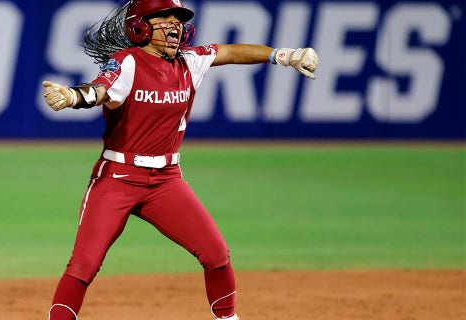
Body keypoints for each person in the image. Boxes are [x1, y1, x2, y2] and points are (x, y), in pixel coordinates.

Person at [42, 0, 318, 319]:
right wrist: (74, 96)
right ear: (140, 25)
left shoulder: (190, 61)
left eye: (179, 18)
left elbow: (229, 52)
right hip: (117, 179)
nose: (175, 25)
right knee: (84, 264)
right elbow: (101, 89)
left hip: (165, 181)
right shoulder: (128, 61)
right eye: (164, 18)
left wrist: (283, 55)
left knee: (216, 253)